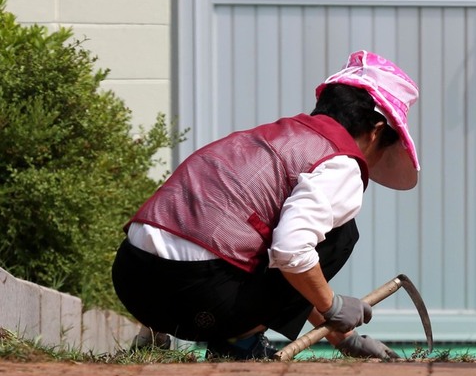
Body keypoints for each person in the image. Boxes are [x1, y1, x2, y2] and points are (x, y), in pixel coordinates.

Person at [112, 50, 419, 360]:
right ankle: (239, 342)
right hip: (198, 297)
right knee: (342, 234)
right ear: (377, 130)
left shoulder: (269, 137)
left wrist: (345, 339)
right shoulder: (340, 163)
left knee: (281, 240)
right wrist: (333, 305)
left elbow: (286, 261)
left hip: (133, 279)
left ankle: (152, 335)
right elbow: (291, 252)